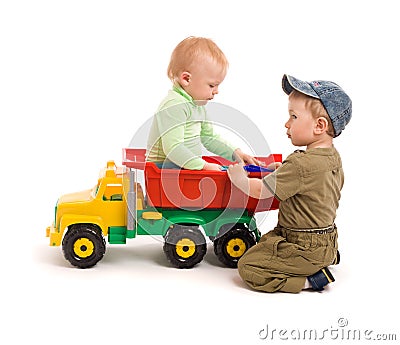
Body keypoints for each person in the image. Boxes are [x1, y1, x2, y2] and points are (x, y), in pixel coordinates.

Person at [227, 74, 352, 293]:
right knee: (265, 242)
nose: (287, 123)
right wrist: (282, 171)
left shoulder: (300, 164)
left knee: (248, 266)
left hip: (303, 243)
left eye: (293, 117)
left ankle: (310, 279)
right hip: (327, 238)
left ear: (319, 125)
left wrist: (240, 180)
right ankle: (325, 256)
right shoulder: (333, 158)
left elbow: (261, 191)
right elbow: (314, 186)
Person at [147, 36, 260, 170]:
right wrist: (203, 166)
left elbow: (209, 138)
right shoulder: (174, 105)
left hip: (185, 168)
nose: (216, 91)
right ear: (186, 79)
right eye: (212, 85)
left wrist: (236, 153)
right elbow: (173, 148)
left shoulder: (197, 105)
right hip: (163, 170)